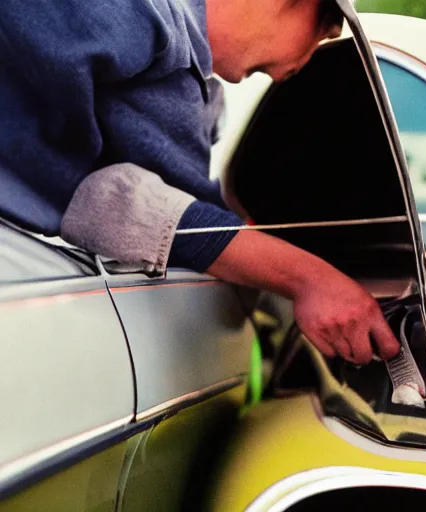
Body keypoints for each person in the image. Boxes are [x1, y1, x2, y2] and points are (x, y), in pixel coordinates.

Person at [0, 0, 401, 364]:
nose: (298, 66)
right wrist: (308, 278)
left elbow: (137, 207)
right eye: (323, 29)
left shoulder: (180, 69)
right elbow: (104, 204)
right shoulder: (138, 12)